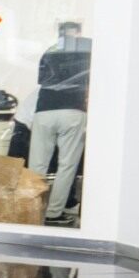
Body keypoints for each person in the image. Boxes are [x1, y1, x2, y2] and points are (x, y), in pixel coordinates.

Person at [28, 21, 91, 226]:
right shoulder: (86, 50)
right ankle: (53, 213)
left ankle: (31, 209)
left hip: (44, 110)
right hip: (72, 111)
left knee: (37, 164)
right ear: (78, 32)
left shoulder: (50, 51)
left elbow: (43, 81)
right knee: (67, 166)